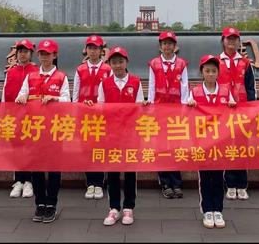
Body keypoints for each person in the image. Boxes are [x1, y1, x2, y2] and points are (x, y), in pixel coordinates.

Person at [86, 46, 144, 226]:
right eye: (114, 62)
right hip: (111, 135)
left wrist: (145, 105)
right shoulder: (105, 83)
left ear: (127, 62)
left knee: (129, 173)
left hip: (130, 136)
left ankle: (128, 207)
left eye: (121, 61)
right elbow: (101, 107)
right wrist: (91, 105)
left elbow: (139, 107)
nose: (118, 65)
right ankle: (114, 208)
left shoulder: (135, 82)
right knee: (112, 172)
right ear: (109, 64)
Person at [15, 39, 70, 224]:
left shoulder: (61, 77)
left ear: (55, 56)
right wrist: (21, 97)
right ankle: (40, 203)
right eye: (41, 54)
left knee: (54, 169)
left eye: (48, 54)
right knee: (36, 168)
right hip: (35, 129)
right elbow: (21, 94)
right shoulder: (30, 76)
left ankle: (52, 204)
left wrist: (54, 98)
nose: (44, 57)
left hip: (55, 129)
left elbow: (68, 101)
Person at [188, 54, 236, 229]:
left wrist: (232, 107)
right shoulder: (194, 92)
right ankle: (207, 209)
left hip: (219, 142)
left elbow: (235, 111)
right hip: (201, 143)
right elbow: (183, 114)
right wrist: (190, 106)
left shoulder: (225, 91)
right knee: (205, 177)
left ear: (218, 73)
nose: (210, 74)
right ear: (202, 72)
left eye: (213, 71)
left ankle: (218, 209)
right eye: (207, 71)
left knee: (218, 177)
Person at [146, 31, 189, 199]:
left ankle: (176, 182)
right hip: (159, 111)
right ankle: (165, 182)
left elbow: (185, 87)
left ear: (175, 46)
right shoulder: (154, 64)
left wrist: (185, 108)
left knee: (176, 146)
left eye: (170, 43)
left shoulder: (182, 64)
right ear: (160, 46)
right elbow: (151, 86)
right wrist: (150, 107)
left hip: (177, 111)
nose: (167, 46)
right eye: (164, 43)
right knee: (162, 147)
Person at [218, 27, 255, 200]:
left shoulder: (245, 63)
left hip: (242, 111)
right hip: (224, 111)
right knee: (227, 146)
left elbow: (250, 87)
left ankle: (242, 184)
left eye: (234, 39)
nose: (231, 41)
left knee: (241, 146)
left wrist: (252, 109)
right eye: (228, 38)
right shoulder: (217, 62)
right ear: (223, 40)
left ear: (239, 41)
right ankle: (230, 184)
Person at [73, 35, 111, 200]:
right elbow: (75, 92)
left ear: (101, 51)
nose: (93, 51)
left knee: (100, 149)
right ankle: (90, 183)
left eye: (96, 48)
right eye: (90, 48)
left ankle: (99, 183)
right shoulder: (80, 69)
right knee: (86, 149)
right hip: (84, 115)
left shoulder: (108, 69)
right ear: (86, 50)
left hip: (102, 116)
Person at [2, 39, 38, 199]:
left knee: (30, 147)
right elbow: (4, 94)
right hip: (13, 116)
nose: (23, 54)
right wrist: (3, 113)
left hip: (32, 117)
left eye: (26, 51)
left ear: (31, 54)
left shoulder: (36, 71)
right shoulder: (11, 72)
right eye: (20, 51)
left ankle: (29, 181)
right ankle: (18, 180)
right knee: (16, 147)